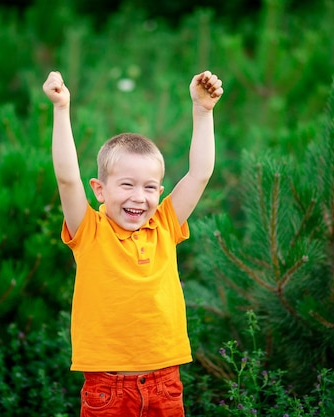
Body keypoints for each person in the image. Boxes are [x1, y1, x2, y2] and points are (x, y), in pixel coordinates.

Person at [42, 69, 223, 417]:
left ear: (160, 191)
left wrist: (203, 112)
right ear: (99, 190)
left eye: (150, 187)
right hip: (107, 390)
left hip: (165, 384)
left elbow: (199, 174)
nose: (139, 197)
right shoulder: (90, 231)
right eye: (126, 185)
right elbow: (66, 178)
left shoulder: (166, 224)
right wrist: (61, 109)